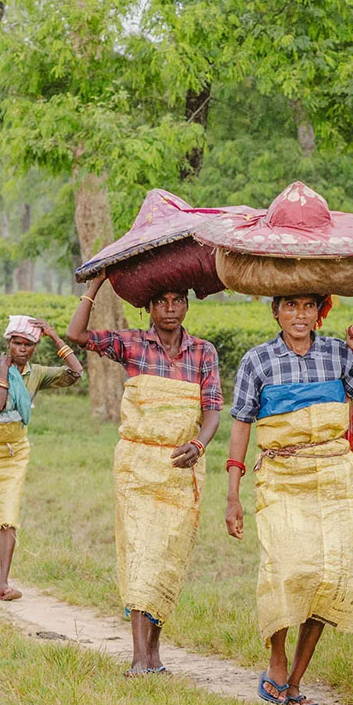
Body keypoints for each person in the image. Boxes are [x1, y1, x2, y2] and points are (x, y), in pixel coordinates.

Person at [223, 293, 353, 705]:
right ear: (276, 311)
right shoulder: (257, 361)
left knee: (328, 578)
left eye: (308, 306)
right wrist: (232, 495)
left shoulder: (337, 354)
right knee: (287, 570)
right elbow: (242, 424)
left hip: (335, 481)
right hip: (281, 478)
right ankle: (276, 663)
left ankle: (295, 682)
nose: (300, 315)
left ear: (319, 313)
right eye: (291, 306)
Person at [66, 274, 222, 676]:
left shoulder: (204, 352)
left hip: (180, 469)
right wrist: (96, 284)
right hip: (136, 468)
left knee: (167, 558)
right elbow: (77, 334)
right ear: (148, 308)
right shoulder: (132, 345)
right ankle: (138, 658)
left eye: (178, 300)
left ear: (187, 305)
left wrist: (199, 445)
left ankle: (154, 653)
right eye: (161, 302)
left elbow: (213, 409)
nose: (170, 309)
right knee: (140, 555)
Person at [0, 315, 82, 601]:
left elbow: (76, 373)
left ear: (34, 347)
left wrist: (54, 336)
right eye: (17, 343)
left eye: (29, 344)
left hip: (13, 452)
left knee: (9, 514)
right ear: (9, 343)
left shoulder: (36, 373)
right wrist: (4, 370)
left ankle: (3, 583)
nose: (22, 348)